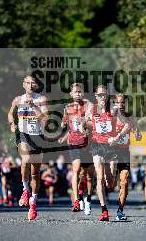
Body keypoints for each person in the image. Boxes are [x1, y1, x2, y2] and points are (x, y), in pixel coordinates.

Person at [8, 74, 49, 220]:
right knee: (25, 159)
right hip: (23, 134)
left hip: (38, 136)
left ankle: (33, 202)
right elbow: (10, 114)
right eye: (27, 82)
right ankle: (25, 190)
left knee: (35, 173)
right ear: (23, 84)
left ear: (36, 86)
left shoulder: (41, 99)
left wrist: (34, 107)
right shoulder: (17, 100)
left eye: (33, 83)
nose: (30, 85)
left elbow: (45, 119)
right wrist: (12, 124)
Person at [58, 82, 94, 215]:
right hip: (73, 143)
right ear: (71, 94)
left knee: (89, 176)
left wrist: (86, 123)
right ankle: (77, 200)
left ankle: (88, 198)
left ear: (82, 93)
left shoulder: (88, 105)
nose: (78, 94)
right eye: (75, 92)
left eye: (80, 91)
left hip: (88, 143)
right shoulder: (67, 108)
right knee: (76, 168)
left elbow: (92, 122)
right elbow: (68, 126)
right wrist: (63, 128)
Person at [86, 85, 121, 221]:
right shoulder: (91, 109)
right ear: (96, 96)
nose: (102, 97)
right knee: (99, 177)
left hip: (111, 147)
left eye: (104, 95)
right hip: (97, 146)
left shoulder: (114, 109)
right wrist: (84, 127)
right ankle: (104, 210)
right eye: (99, 95)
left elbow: (124, 123)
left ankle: (112, 179)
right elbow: (86, 122)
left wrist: (117, 136)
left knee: (110, 183)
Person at [108, 93, 141, 220]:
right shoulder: (110, 115)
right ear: (114, 103)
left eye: (123, 103)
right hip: (111, 150)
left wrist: (138, 134)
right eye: (118, 102)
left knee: (125, 181)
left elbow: (137, 134)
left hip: (124, 151)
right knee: (110, 184)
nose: (120, 105)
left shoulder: (131, 117)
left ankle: (120, 210)